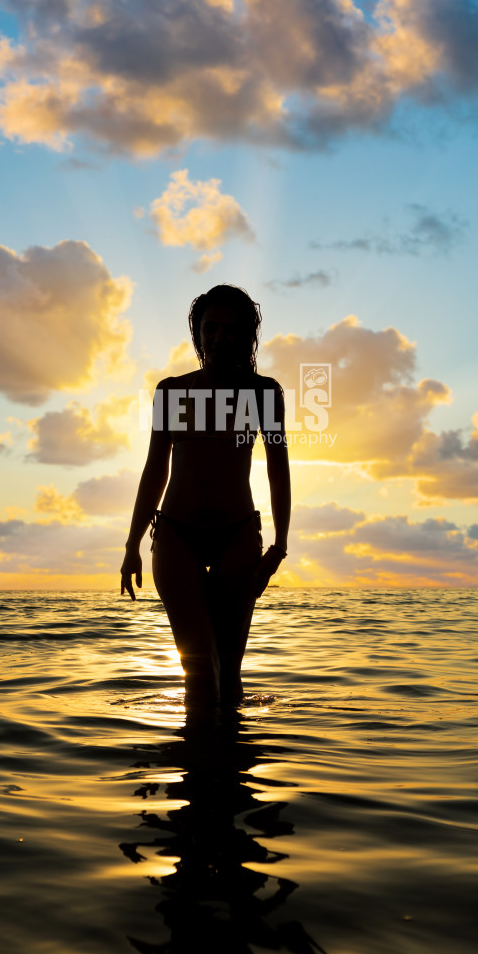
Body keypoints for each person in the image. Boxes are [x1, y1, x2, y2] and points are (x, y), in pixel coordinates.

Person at [120, 284, 291, 706]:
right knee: (199, 666)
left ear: (246, 336)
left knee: (229, 673)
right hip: (177, 535)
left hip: (238, 535)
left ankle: (230, 767)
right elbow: (154, 469)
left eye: (230, 329)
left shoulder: (263, 393)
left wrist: (280, 546)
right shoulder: (172, 391)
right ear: (196, 334)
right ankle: (198, 768)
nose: (218, 337)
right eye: (209, 328)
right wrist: (132, 544)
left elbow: (277, 469)